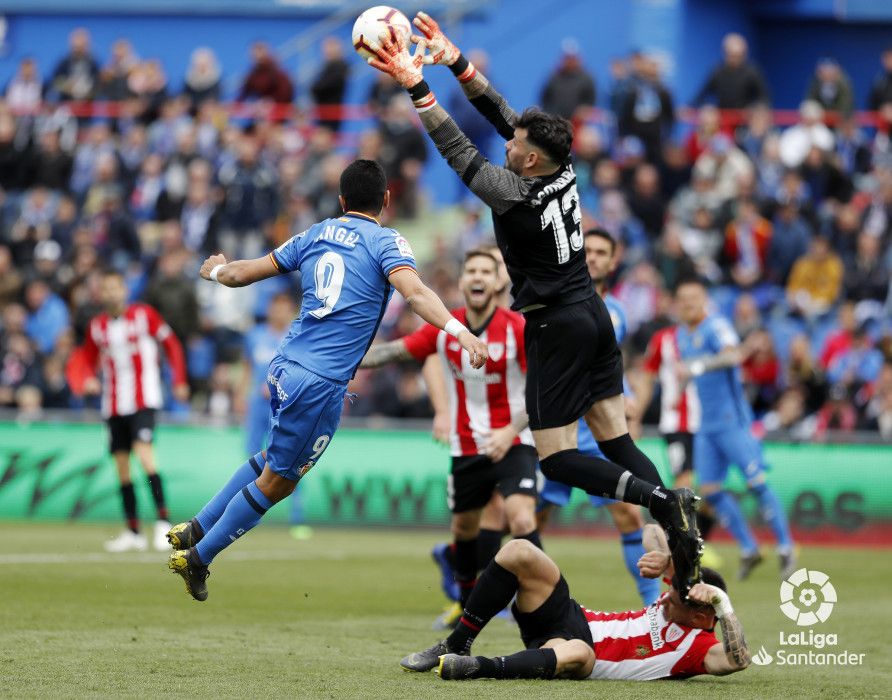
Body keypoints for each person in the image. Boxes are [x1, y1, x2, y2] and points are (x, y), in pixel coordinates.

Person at [367, 15, 702, 594]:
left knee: (556, 459)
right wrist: (457, 63)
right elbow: (506, 115)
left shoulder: (512, 194)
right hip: (593, 314)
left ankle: (662, 500)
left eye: (516, 143)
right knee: (618, 441)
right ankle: (677, 524)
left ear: (526, 160)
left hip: (557, 325)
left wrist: (416, 85)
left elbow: (456, 149)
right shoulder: (561, 165)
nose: (510, 139)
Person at [165, 160, 489, 601]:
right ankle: (199, 558)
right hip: (320, 382)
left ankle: (196, 527)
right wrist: (459, 330)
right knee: (280, 482)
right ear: (387, 200)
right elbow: (414, 293)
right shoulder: (386, 241)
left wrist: (215, 271)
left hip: (283, 365)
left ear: (341, 201)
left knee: (271, 458)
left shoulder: (315, 232)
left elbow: (242, 274)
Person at [360, 248, 541, 610]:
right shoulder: (446, 329)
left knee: (521, 517)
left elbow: (539, 391)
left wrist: (508, 432)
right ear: (461, 282)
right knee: (463, 531)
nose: (477, 277)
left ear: (496, 282)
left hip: (515, 439)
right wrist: (338, 358)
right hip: (467, 446)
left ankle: (541, 602)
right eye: (471, 270)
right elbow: (392, 353)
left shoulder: (516, 328)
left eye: (485, 272)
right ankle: (467, 604)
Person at [400, 525, 750, 681]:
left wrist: (723, 603)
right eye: (676, 589)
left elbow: (739, 660)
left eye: (682, 598)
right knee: (519, 550)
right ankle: (457, 643)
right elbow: (650, 529)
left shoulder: (699, 645)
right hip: (569, 614)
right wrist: (665, 555)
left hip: (576, 652)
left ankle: (480, 667)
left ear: (705, 615)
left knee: (580, 652)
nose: (670, 595)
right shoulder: (678, 596)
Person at [537, 229, 659, 606]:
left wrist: (629, 397)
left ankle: (653, 603)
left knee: (628, 517)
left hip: (595, 435)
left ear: (612, 261)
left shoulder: (618, 313)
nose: (592, 257)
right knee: (527, 520)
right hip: (556, 429)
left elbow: (614, 364)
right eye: (586, 250)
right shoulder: (554, 302)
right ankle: (516, 597)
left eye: (600, 252)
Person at [673, 276, 796, 580]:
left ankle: (785, 545)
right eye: (683, 300)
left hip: (732, 422)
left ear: (704, 300)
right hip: (707, 426)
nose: (688, 305)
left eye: (694, 298)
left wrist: (697, 367)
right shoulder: (681, 334)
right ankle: (749, 548)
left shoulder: (715, 326)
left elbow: (733, 355)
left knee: (756, 483)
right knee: (711, 491)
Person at [73, 270, 189, 552]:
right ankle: (133, 531)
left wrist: (179, 379)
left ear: (124, 291)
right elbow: (86, 359)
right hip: (112, 404)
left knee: (145, 454)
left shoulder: (144, 315)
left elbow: (171, 343)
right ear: (100, 294)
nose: (111, 293)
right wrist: (86, 378)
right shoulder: (97, 326)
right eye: (106, 289)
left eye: (115, 288)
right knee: (122, 468)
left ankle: (164, 522)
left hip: (143, 400)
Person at [241, 292, 296, 456]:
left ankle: (291, 483)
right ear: (269, 310)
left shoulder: (296, 338)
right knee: (253, 449)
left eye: (284, 309)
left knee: (286, 452)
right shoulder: (255, 335)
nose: (280, 313)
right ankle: (253, 481)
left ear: (291, 312)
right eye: (276, 309)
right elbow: (247, 366)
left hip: (286, 403)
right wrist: (241, 394)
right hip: (258, 402)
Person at [693, 33, 769, 110]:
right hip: (723, 117)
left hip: (746, 118)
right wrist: (704, 106)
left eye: (738, 55)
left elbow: (764, 98)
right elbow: (701, 95)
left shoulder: (752, 72)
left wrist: (754, 108)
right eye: (731, 55)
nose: (734, 59)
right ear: (725, 53)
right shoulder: (718, 71)